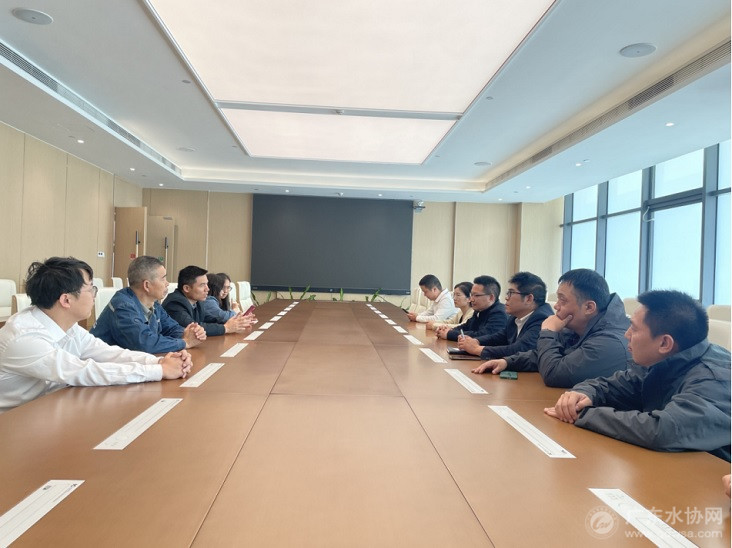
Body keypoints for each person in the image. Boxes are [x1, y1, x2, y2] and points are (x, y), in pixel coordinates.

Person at [545, 290, 731, 461]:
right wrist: (584, 393)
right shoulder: (666, 360)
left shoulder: (715, 379)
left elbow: (663, 430)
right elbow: (614, 386)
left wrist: (584, 414)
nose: (626, 334)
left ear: (664, 343)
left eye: (633, 329)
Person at [0, 257, 192, 413]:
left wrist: (158, 362)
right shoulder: (24, 338)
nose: (94, 295)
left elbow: (108, 353)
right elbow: (85, 371)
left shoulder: (69, 326)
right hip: (13, 422)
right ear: (66, 300)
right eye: (90, 289)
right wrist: (159, 371)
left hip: (51, 407)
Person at [473, 268, 629, 387]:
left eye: (562, 300)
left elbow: (555, 374)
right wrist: (507, 362)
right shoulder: (576, 328)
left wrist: (548, 332)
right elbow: (542, 355)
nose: (556, 306)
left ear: (589, 307)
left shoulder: (609, 342)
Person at [92, 256, 206, 352]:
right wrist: (184, 342)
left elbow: (171, 328)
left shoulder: (154, 304)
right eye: (163, 279)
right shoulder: (123, 306)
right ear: (147, 285)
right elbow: (144, 343)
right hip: (103, 366)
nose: (167, 283)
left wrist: (188, 333)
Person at [459, 272, 553, 361]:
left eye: (511, 293)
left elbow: (520, 349)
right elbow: (500, 337)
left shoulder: (542, 319)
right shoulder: (515, 316)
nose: (506, 298)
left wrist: (478, 349)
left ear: (529, 299)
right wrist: (476, 341)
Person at [163, 266, 252, 336]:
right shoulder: (175, 303)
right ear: (187, 288)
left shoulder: (198, 302)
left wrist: (236, 321)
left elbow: (211, 320)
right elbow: (193, 327)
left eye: (207, 284)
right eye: (202, 285)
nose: (207, 289)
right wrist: (226, 328)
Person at [435, 275, 507, 341]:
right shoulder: (479, 310)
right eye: (471, 295)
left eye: (476, 295)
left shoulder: (499, 313)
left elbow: (483, 335)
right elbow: (466, 327)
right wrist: (449, 330)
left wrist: (449, 334)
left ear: (491, 297)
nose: (471, 299)